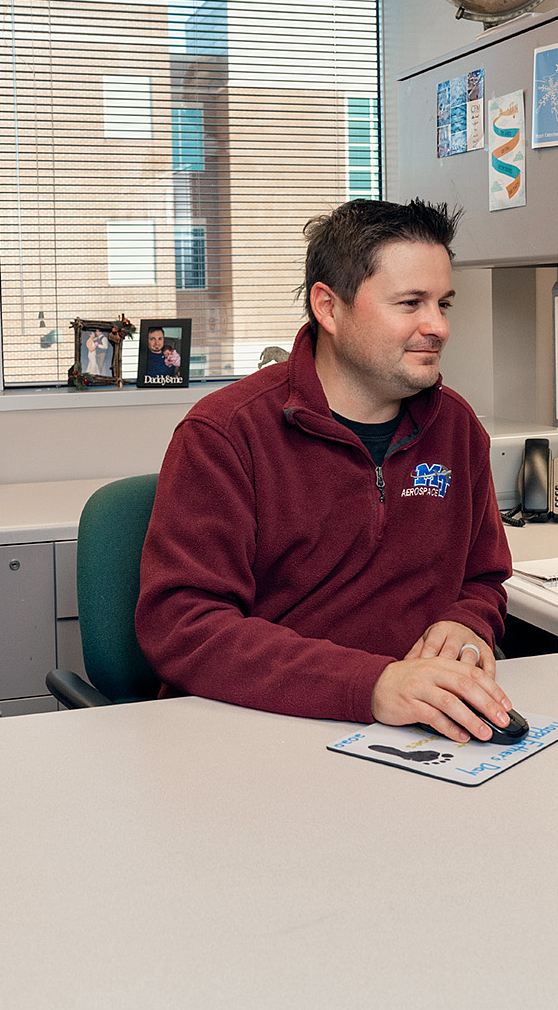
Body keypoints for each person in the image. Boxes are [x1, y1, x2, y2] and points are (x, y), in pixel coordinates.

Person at [135, 198, 515, 744]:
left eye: (443, 304)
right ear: (329, 308)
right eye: (410, 303)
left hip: (418, 732)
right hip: (257, 732)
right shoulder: (224, 434)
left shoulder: (457, 427)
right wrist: (372, 685)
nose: (438, 327)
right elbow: (183, 625)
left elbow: (482, 579)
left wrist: (468, 624)